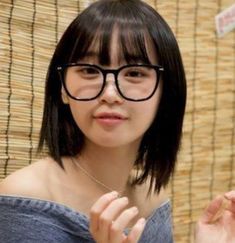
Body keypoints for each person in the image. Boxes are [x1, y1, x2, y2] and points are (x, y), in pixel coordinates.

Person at [0, 0, 234, 242]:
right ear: (63, 88)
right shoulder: (23, 196)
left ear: (166, 93)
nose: (109, 94)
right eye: (89, 70)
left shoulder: (153, 196)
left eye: (134, 73)